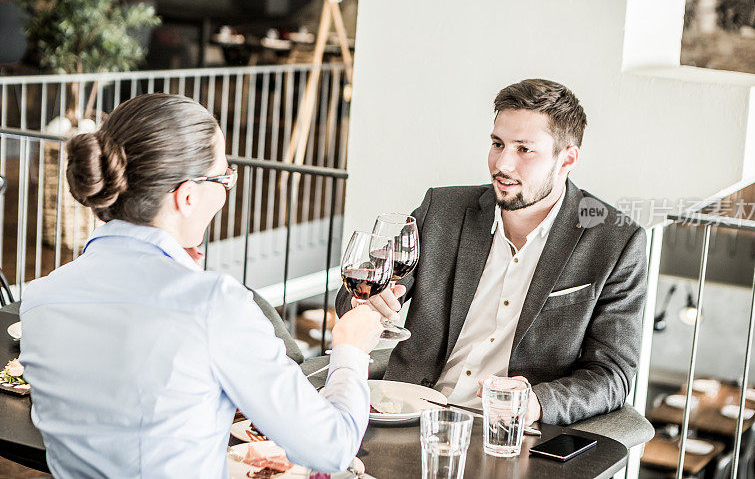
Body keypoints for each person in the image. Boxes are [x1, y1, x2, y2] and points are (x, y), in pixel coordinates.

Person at [20, 93, 383, 477]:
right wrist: (351, 351)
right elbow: (331, 446)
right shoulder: (213, 304)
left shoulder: (41, 298)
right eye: (224, 177)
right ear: (188, 197)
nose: (227, 190)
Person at [336, 79, 648, 426]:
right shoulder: (442, 210)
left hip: (504, 432)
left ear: (567, 159)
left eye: (524, 150)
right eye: (497, 143)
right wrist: (368, 304)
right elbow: (356, 290)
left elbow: (612, 374)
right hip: (408, 414)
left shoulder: (615, 241)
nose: (503, 164)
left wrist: (536, 403)